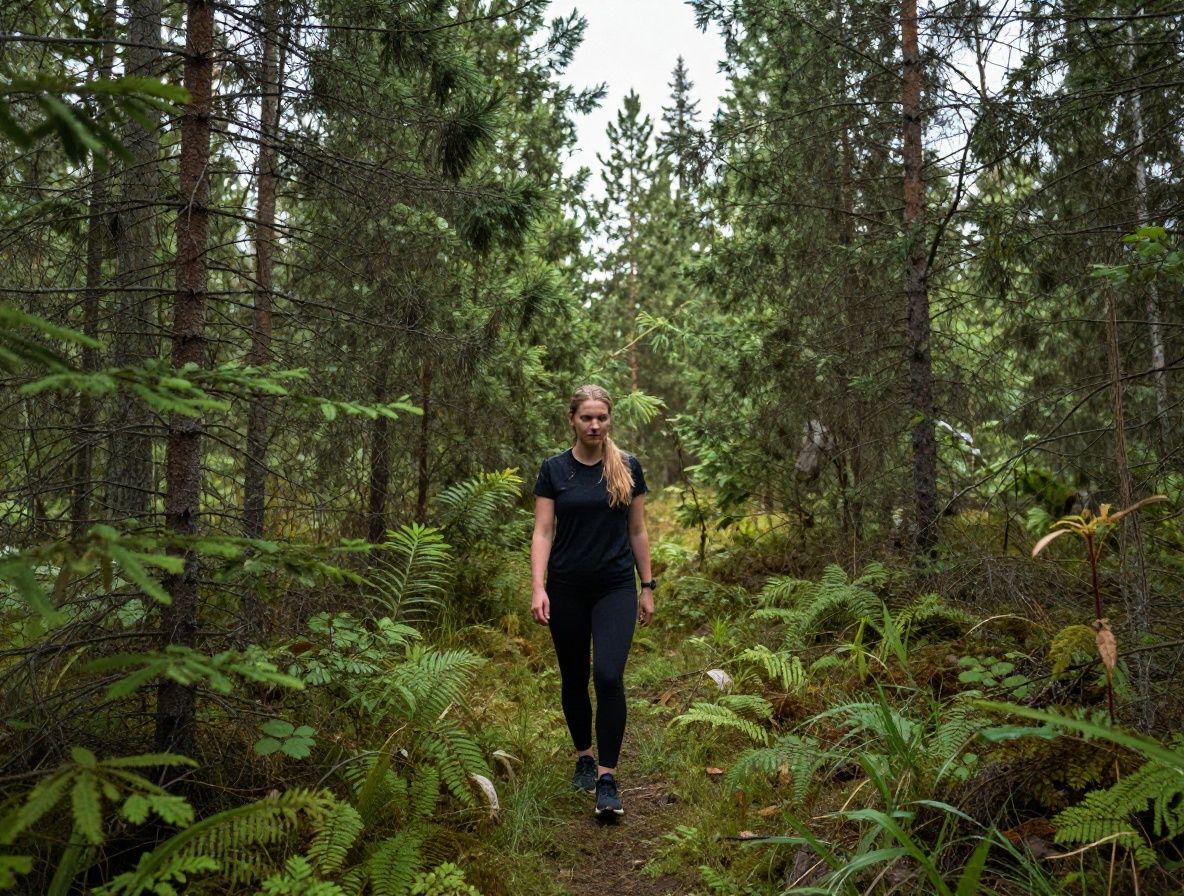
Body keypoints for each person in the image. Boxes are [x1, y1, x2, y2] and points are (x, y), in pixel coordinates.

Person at [531, 384, 656, 817]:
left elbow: (637, 530)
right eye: (586, 417)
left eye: (601, 417)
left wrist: (647, 586)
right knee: (573, 677)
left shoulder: (627, 467)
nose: (594, 425)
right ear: (572, 419)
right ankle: (584, 756)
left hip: (614, 588)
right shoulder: (554, 469)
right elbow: (542, 531)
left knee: (607, 676)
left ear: (609, 419)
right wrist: (538, 586)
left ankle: (607, 778)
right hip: (566, 587)